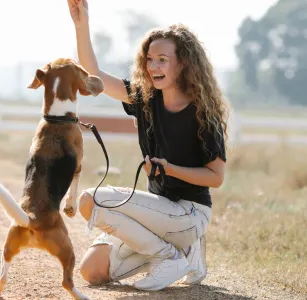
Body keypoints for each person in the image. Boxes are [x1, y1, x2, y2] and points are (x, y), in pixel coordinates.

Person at [67, 0, 229, 292]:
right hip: (158, 214)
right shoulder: (144, 99)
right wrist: (82, 25)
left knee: (89, 200)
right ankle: (185, 255)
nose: (153, 66)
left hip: (190, 214)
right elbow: (94, 76)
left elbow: (216, 177)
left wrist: (171, 169)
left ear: (183, 64)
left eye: (163, 60)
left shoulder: (203, 113)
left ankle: (169, 255)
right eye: (150, 59)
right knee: (91, 271)